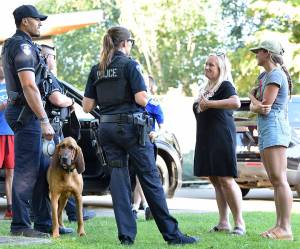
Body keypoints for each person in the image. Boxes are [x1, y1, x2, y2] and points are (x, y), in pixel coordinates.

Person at [82, 26, 199, 245]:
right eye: (131, 43)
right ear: (125, 43)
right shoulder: (130, 65)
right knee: (150, 179)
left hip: (106, 130)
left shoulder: (96, 69)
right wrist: (154, 102)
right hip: (132, 129)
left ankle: (126, 237)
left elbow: (87, 106)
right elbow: (141, 98)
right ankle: (173, 236)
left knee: (118, 182)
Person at [1, 5, 68, 238]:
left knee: (41, 169)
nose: (40, 23)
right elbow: (29, 85)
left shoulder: (21, 44)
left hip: (24, 111)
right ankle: (20, 224)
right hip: (26, 113)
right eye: (37, 19)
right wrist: (43, 120)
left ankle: (42, 221)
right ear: (25, 21)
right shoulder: (22, 47)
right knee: (27, 170)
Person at [40, 44, 96, 222]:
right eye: (53, 57)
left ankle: (70, 213)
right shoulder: (46, 76)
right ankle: (66, 215)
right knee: (57, 172)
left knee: (58, 173)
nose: (53, 61)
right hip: (50, 131)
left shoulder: (42, 75)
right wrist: (71, 100)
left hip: (51, 129)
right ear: (47, 58)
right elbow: (56, 99)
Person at [193, 52, 245, 235]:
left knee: (226, 179)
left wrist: (211, 104)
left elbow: (236, 102)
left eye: (211, 65)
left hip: (221, 137)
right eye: (206, 64)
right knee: (215, 180)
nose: (207, 67)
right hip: (206, 138)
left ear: (221, 68)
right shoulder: (206, 87)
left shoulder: (225, 85)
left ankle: (239, 223)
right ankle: (223, 222)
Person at [249, 40, 293, 240]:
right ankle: (278, 226)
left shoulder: (275, 74)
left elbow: (264, 106)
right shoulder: (264, 76)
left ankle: (285, 228)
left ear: (266, 53)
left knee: (279, 179)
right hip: (267, 130)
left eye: (258, 51)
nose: (255, 55)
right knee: (275, 180)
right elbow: (256, 104)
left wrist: (254, 102)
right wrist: (254, 103)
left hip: (275, 129)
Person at [131, 74, 163, 221]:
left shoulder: (154, 103)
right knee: (139, 174)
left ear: (150, 86)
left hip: (147, 142)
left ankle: (138, 206)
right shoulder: (133, 101)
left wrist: (155, 133)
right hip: (133, 141)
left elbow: (161, 126)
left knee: (141, 174)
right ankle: (142, 206)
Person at [0, 58, 14, 220]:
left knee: (11, 173)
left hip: (12, 134)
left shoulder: (12, 86)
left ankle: (10, 209)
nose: (2, 68)